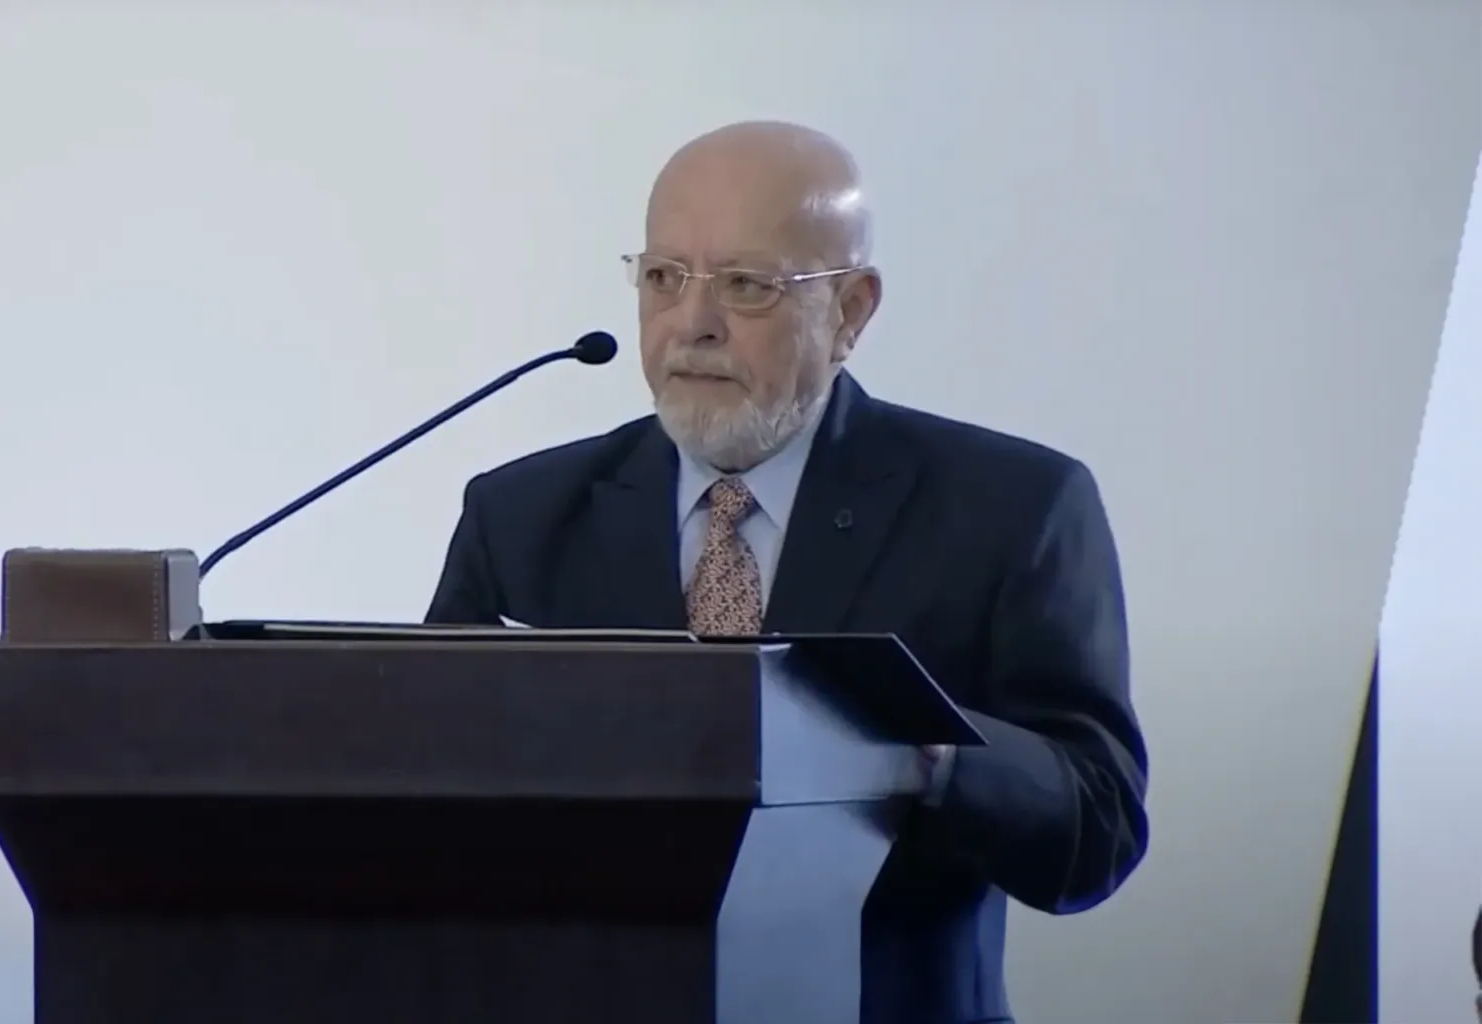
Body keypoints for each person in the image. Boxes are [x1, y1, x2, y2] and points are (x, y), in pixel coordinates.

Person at [425, 120, 1149, 1024]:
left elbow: (1097, 833)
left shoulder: (1011, 508)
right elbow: (427, 810)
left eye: (746, 285)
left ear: (850, 310)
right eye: (664, 278)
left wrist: (931, 753)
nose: (693, 324)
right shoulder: (523, 515)